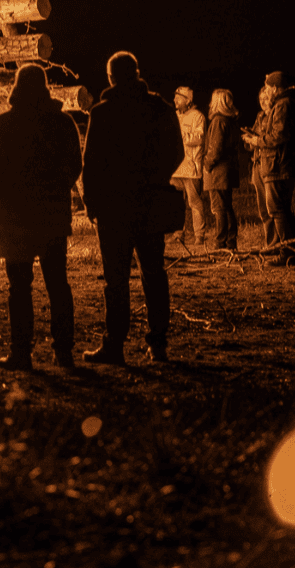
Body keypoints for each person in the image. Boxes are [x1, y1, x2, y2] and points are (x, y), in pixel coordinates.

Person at [79, 51, 184, 364]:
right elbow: (176, 151)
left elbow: (92, 163)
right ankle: (158, 343)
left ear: (111, 77)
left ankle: (115, 345)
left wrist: (91, 202)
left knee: (116, 280)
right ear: (136, 73)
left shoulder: (103, 112)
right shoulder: (159, 108)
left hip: (114, 208)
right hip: (150, 202)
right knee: (154, 273)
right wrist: (156, 176)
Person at [0, 64, 83, 371]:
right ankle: (63, 351)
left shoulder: (5, 124)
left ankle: (21, 352)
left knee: (19, 287)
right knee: (58, 284)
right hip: (51, 214)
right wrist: (57, 187)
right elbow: (74, 165)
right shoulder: (62, 122)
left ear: (16, 87)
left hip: (15, 217)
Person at [242, 71, 295, 266]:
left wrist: (257, 140)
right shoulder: (286, 104)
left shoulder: (282, 105)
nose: (267, 91)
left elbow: (278, 136)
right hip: (280, 163)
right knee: (282, 209)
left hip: (277, 165)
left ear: (276, 88)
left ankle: (287, 254)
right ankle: (289, 252)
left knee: (277, 209)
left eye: (269, 88)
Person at [202, 89, 241, 249]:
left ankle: (221, 242)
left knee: (219, 207)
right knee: (227, 206)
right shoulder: (230, 121)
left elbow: (215, 148)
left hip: (218, 171)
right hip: (229, 169)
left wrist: (207, 164)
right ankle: (231, 241)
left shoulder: (218, 121)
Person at [171, 86, 209, 246]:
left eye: (178, 98)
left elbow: (199, 138)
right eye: (175, 97)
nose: (175, 100)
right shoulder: (174, 116)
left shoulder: (197, 116)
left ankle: (199, 234)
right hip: (175, 168)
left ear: (188, 100)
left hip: (191, 167)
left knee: (194, 202)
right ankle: (179, 233)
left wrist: (180, 136)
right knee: (176, 202)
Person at [245, 86, 273, 231]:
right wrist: (249, 140)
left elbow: (271, 139)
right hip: (257, 163)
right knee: (262, 206)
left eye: (266, 98)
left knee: (272, 205)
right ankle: (270, 243)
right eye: (260, 99)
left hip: (269, 164)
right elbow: (255, 139)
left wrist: (256, 140)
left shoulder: (275, 116)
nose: (263, 101)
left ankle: (278, 242)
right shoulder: (260, 116)